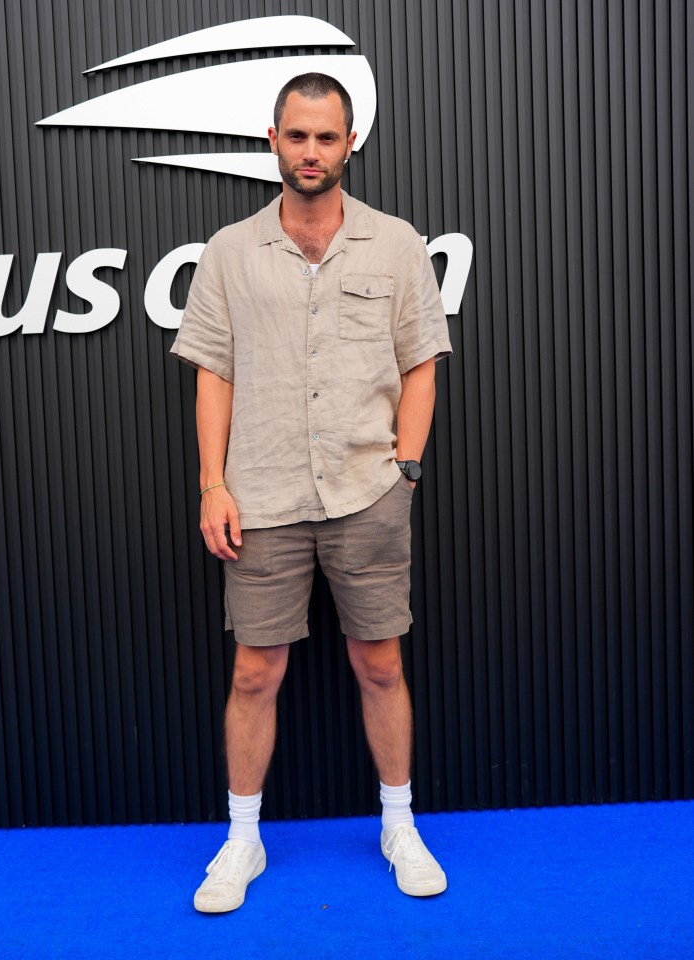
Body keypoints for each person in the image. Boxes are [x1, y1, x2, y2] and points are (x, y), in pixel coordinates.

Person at [170, 72, 452, 913]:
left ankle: (398, 825)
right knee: (254, 672)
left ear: (350, 144)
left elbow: (422, 363)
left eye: (327, 138)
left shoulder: (397, 244)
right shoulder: (229, 251)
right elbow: (212, 374)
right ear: (273, 141)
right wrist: (212, 483)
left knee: (380, 663)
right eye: (298, 136)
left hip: (369, 494)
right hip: (260, 498)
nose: (312, 152)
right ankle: (244, 839)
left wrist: (403, 470)